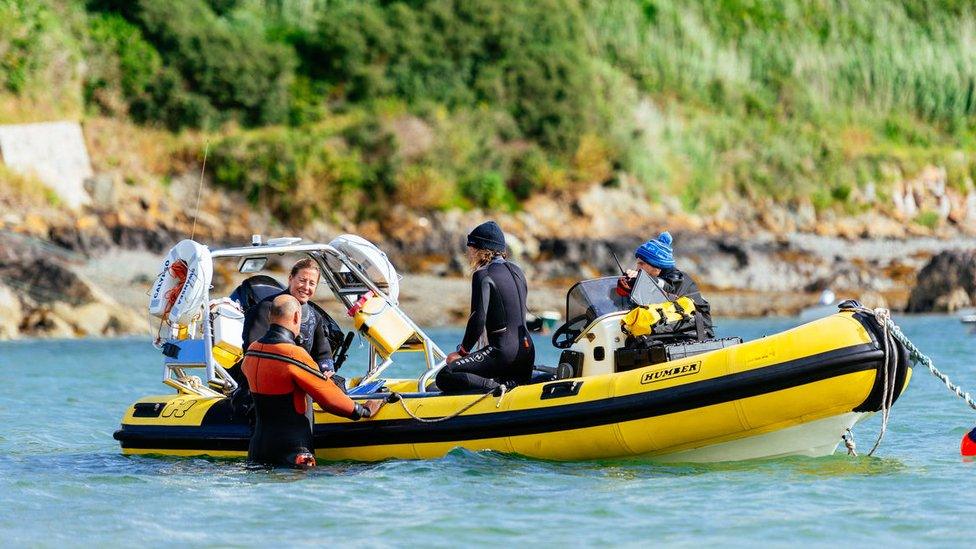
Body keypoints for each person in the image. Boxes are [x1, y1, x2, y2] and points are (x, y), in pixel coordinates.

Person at [242, 294, 381, 468]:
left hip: (258, 450)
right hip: (294, 452)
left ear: (270, 316)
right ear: (296, 317)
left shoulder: (253, 351)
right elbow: (329, 399)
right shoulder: (294, 355)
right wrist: (363, 410)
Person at [436, 221, 535, 394]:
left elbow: (477, 319)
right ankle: (508, 386)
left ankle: (498, 390)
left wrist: (462, 352)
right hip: (527, 353)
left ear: (481, 250)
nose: (468, 253)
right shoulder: (517, 271)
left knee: (446, 374)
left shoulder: (483, 275)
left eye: (471, 248)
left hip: (502, 353)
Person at [242, 258, 339, 376]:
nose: (306, 287)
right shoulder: (267, 308)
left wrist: (326, 370)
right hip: (266, 379)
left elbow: (323, 354)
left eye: (312, 283)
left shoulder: (315, 317)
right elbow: (253, 350)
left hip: (299, 378)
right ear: (290, 279)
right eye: (302, 280)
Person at [616, 231, 714, 339]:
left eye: (641, 264)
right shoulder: (656, 278)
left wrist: (639, 279)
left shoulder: (679, 279)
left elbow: (667, 287)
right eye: (637, 263)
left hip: (697, 338)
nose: (637, 268)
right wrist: (628, 288)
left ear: (657, 266)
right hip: (668, 337)